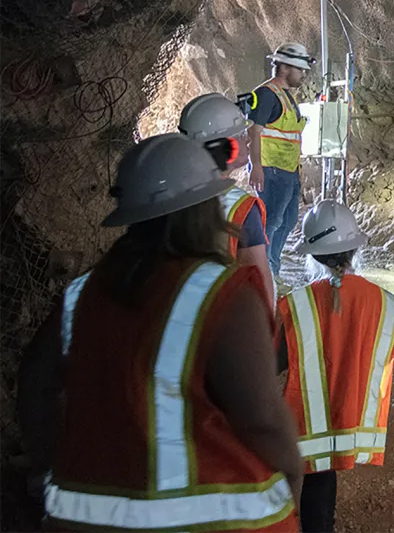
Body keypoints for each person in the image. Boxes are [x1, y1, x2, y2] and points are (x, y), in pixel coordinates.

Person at [18, 133, 302, 531]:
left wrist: (61, 466)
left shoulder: (81, 294)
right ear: (204, 209)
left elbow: (34, 388)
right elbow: (262, 419)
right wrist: (293, 482)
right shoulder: (223, 294)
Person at [277, 200, 394, 532]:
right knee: (322, 492)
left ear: (312, 255)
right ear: (354, 251)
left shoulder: (296, 306)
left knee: (299, 497)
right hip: (345, 422)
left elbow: (275, 362)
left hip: (301, 428)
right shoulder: (386, 304)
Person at [180, 92, 275, 306]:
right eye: (241, 133)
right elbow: (261, 291)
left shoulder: (168, 195)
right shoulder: (241, 208)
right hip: (220, 322)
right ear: (227, 148)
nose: (248, 138)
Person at [249, 42, 315, 283]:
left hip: (287, 171)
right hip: (270, 170)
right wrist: (256, 165)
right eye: (301, 70)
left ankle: (272, 271)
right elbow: (254, 132)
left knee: (286, 222)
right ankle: (262, 274)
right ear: (285, 68)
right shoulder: (266, 94)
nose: (304, 75)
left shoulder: (287, 97)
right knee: (270, 224)